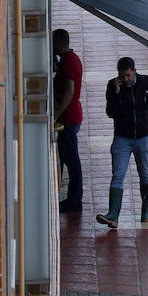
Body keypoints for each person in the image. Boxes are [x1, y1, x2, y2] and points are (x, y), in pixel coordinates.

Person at [96, 56, 148, 229]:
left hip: (142, 137)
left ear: (134, 71)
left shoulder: (146, 81)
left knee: (145, 172)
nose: (126, 79)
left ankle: (145, 210)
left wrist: (146, 112)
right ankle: (113, 215)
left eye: (128, 76)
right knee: (118, 175)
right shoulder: (113, 85)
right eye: (122, 76)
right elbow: (110, 112)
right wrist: (116, 94)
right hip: (121, 138)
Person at [52, 29, 83, 214]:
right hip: (70, 117)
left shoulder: (69, 62)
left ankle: (75, 199)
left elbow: (69, 92)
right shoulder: (68, 59)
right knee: (64, 157)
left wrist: (56, 113)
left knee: (72, 161)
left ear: (59, 43)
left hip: (69, 119)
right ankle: (66, 196)